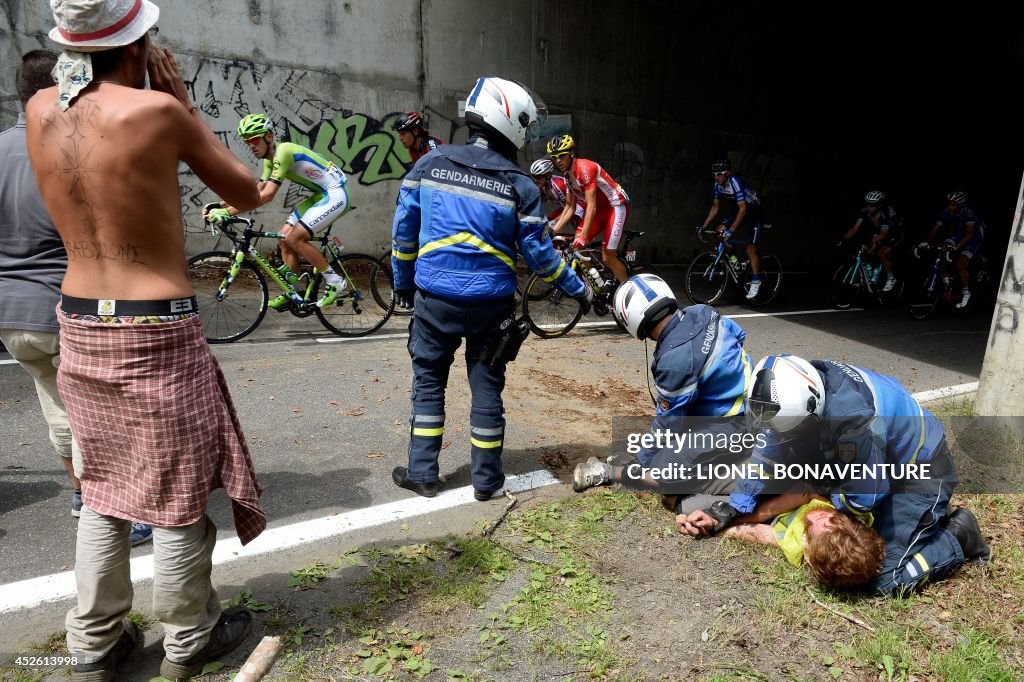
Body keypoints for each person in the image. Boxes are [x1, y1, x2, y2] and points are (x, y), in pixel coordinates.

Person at [27, 1, 266, 679]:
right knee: (176, 491)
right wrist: (183, 103)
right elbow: (247, 193)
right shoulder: (158, 114)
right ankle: (190, 637)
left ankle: (93, 642)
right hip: (153, 325)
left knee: (102, 486)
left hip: (77, 320)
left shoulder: (38, 109)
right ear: (137, 47)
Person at [390, 76, 591, 501]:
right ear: (513, 124)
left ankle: (423, 473)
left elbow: (404, 234)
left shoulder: (429, 164)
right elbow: (541, 257)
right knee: (486, 389)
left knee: (428, 382)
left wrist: (403, 282)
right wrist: (581, 290)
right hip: (491, 308)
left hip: (434, 300)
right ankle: (487, 482)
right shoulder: (519, 185)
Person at [677, 355, 991, 597]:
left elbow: (862, 499)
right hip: (874, 460)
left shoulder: (855, 423)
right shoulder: (794, 389)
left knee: (878, 579)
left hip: (919, 472)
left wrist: (824, 502)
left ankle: (957, 537)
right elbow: (766, 454)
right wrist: (732, 510)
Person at [1, 49, 153, 545]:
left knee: (57, 404)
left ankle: (80, 495)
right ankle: (115, 512)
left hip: (9, 314)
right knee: (100, 411)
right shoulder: (69, 148)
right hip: (68, 306)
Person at [572, 274, 752, 515]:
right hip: (751, 407)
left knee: (662, 469)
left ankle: (607, 473)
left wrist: (639, 464)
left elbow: (667, 426)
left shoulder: (674, 360)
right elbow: (739, 336)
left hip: (733, 425)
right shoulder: (702, 312)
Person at [205, 113, 351, 310]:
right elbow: (257, 190)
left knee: (295, 239)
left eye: (255, 139)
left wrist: (229, 212)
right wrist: (221, 205)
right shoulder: (269, 159)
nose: (252, 146)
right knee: (283, 239)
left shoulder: (284, 152)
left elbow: (267, 196)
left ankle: (335, 281)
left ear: (270, 136)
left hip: (335, 194)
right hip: (320, 194)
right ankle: (292, 293)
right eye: (248, 142)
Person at [721, 494, 887, 588]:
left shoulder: (799, 547)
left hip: (769, 512)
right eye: (827, 519)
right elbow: (804, 494)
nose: (814, 517)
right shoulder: (852, 506)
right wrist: (735, 516)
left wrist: (721, 527)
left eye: (813, 529)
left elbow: (762, 534)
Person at [547, 134, 631, 285]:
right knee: (576, 249)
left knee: (608, 256)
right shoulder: (567, 177)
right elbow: (569, 207)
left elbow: (591, 205)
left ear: (571, 153)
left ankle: (627, 288)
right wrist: (553, 231)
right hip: (598, 211)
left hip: (615, 207)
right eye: (554, 157)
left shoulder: (584, 168)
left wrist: (583, 236)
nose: (558, 160)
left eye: (561, 156)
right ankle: (599, 285)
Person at [697, 158, 765, 300]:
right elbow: (715, 208)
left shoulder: (735, 182)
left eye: (719, 174)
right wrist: (704, 226)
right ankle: (733, 260)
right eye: (714, 174)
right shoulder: (718, 185)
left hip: (753, 211)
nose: (716, 177)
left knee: (750, 248)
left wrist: (731, 231)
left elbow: (743, 209)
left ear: (727, 173)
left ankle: (756, 280)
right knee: (719, 231)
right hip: (738, 210)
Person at [918, 191, 986, 309]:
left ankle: (966, 293)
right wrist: (926, 242)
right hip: (960, 232)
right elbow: (936, 229)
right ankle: (948, 286)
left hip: (974, 235)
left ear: (959, 205)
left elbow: (969, 234)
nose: (950, 207)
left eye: (953, 204)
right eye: (949, 204)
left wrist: (955, 248)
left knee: (960, 265)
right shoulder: (945, 212)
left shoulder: (968, 212)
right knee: (943, 255)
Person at [839, 190, 901, 292]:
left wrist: (873, 240)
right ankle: (872, 271)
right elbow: (854, 229)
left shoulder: (885, 213)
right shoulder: (865, 212)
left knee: (881, 254)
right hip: (881, 231)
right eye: (867, 204)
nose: (868, 207)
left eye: (871, 205)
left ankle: (891, 278)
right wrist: (843, 238)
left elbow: (884, 234)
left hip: (895, 233)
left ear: (879, 205)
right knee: (865, 247)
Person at [529, 157, 585, 233]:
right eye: (534, 176)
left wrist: (555, 222)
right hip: (566, 207)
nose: (536, 180)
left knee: (578, 238)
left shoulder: (558, 185)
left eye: (538, 177)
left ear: (548, 175)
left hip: (579, 208)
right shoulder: (543, 187)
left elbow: (571, 209)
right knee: (547, 222)